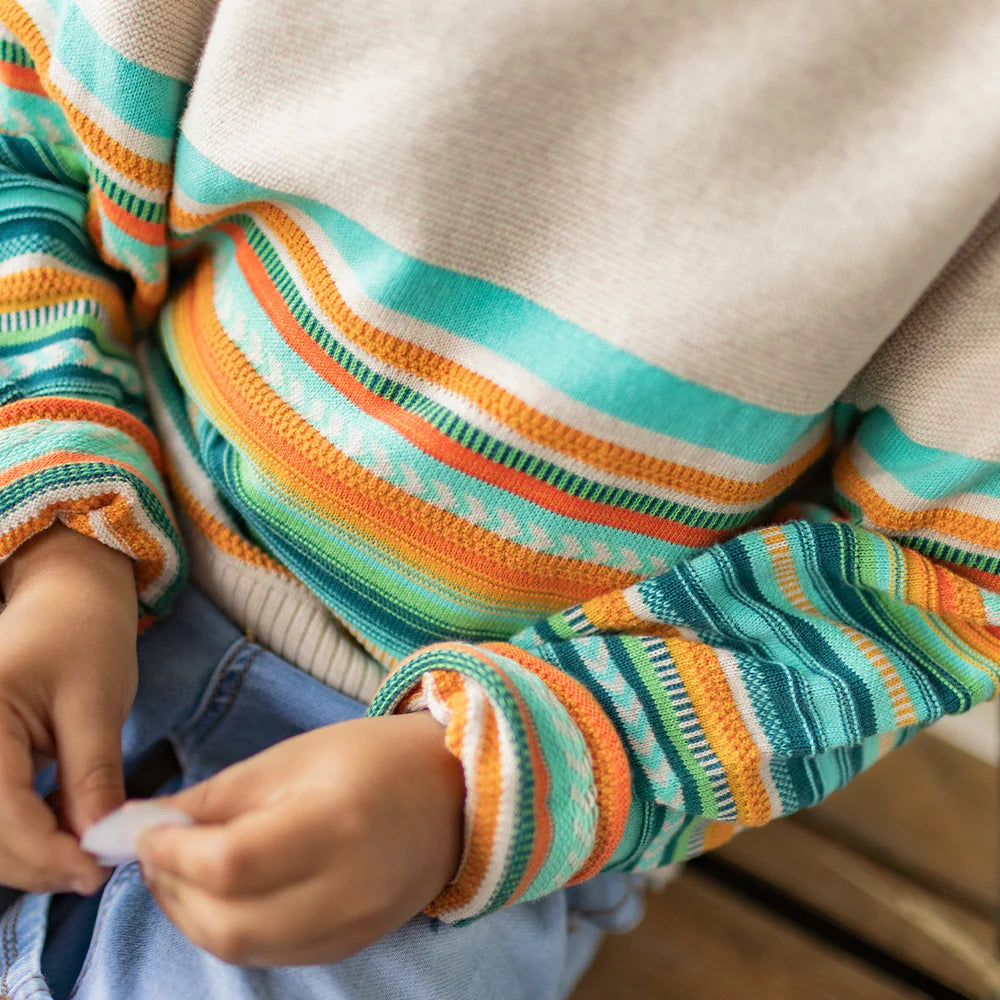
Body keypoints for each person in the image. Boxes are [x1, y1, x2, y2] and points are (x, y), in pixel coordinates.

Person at [2, 0, 1000, 996]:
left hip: (505, 777)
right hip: (69, 517)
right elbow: (28, 122)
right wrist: (56, 547)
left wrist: (472, 789)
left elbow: (938, 585)